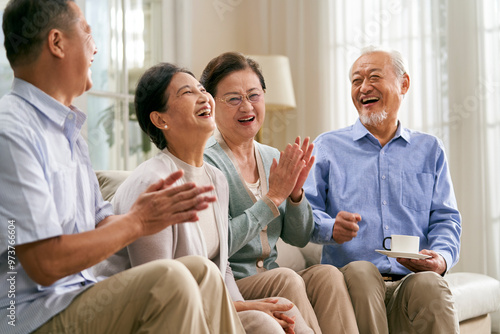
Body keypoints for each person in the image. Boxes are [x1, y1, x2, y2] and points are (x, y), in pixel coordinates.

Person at [0, 1, 244, 333]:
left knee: (202, 272)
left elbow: (100, 222)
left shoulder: (70, 135)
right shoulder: (12, 131)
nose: (95, 47)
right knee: (171, 280)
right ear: (57, 43)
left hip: (77, 296)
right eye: (86, 31)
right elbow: (45, 263)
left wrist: (149, 215)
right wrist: (137, 222)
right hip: (28, 316)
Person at [104, 62, 313, 334]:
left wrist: (244, 305)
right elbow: (159, 289)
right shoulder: (153, 183)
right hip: (152, 317)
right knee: (265, 321)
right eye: (187, 92)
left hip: (207, 305)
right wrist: (245, 309)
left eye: (202, 89)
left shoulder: (215, 178)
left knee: (285, 310)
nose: (204, 97)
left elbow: (221, 266)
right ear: (160, 119)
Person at [303, 46, 462, 334]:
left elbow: (446, 219)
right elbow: (304, 215)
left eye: (374, 77)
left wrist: (440, 258)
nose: (364, 88)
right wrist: (330, 228)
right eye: (356, 80)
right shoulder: (327, 147)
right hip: (353, 283)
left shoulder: (430, 149)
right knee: (362, 271)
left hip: (409, 282)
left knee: (432, 285)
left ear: (404, 84)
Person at [200, 52, 358, 334]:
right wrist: (272, 198)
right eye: (233, 98)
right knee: (286, 279)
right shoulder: (208, 164)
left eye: (254, 95)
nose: (246, 106)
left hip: (272, 275)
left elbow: (297, 236)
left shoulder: (272, 157)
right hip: (235, 283)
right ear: (211, 105)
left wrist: (296, 194)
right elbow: (219, 245)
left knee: (327, 275)